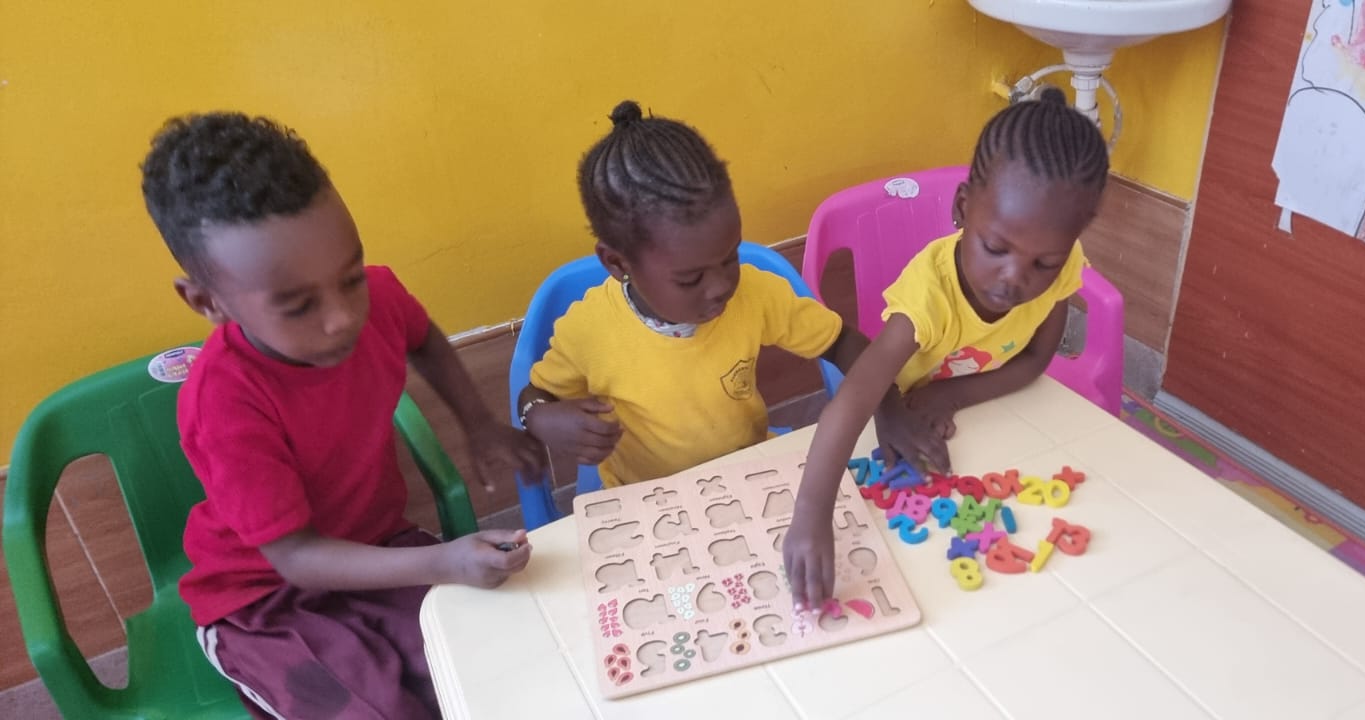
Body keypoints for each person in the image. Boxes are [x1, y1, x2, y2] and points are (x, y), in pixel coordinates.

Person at [141, 112, 542, 719]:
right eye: (298, 305)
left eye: (349, 277)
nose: (341, 317)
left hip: (377, 546)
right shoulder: (223, 401)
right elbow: (296, 557)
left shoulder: (377, 298)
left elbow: (424, 337)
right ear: (208, 302)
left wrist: (480, 425)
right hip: (263, 599)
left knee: (495, 666)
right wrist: (443, 559)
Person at [783, 88, 1110, 608]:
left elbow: (1034, 361)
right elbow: (852, 399)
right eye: (995, 248)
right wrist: (811, 515)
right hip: (898, 428)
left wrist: (952, 395)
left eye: (1043, 264)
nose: (1014, 279)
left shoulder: (1062, 264)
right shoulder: (929, 296)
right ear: (963, 209)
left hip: (988, 421)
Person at [518, 100, 877, 488]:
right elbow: (536, 394)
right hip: (647, 501)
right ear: (618, 264)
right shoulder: (588, 331)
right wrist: (540, 417)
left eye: (730, 257)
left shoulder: (755, 294)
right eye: (690, 279)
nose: (722, 285)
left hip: (749, 474)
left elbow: (841, 341)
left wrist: (888, 403)